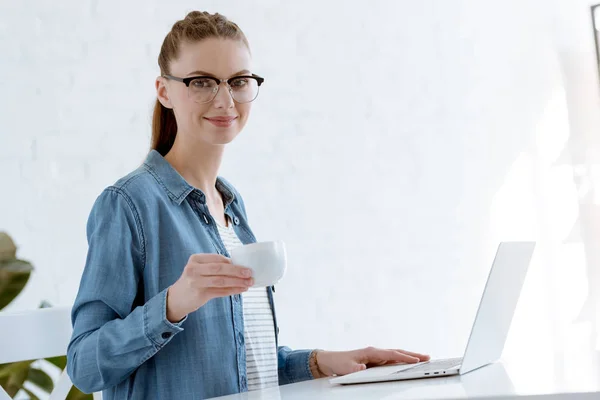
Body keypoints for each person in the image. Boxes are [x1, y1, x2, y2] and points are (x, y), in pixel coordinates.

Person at [66, 11, 430, 399]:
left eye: (238, 81)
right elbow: (84, 366)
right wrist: (173, 304)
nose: (225, 100)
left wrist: (324, 363)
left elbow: (244, 368)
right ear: (164, 90)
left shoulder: (232, 208)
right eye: (201, 82)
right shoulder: (129, 205)